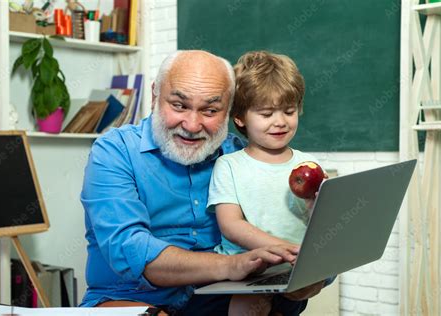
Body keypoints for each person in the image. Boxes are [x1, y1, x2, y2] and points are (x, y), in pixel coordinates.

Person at [80, 50, 324, 315]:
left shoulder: (241, 156)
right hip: (133, 297)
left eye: (210, 110)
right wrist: (230, 265)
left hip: (221, 295)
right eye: (179, 105)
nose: (193, 125)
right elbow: (131, 250)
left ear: (230, 112)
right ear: (155, 96)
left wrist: (309, 276)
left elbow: (287, 232)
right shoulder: (114, 151)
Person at [208, 51, 328, 316]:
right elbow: (230, 224)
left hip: (294, 268)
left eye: (289, 111)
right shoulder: (229, 165)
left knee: (303, 289)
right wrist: (275, 246)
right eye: (266, 113)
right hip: (248, 269)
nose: (280, 121)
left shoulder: (309, 164)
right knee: (248, 307)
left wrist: (318, 204)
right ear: (239, 118)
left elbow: (318, 223)